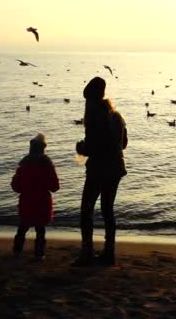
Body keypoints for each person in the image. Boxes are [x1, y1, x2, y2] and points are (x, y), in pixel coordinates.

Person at [74, 77, 128, 266]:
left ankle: (87, 253)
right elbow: (124, 144)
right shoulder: (116, 116)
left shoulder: (95, 118)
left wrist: (81, 148)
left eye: (87, 100)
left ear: (91, 99)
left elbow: (93, 147)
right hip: (116, 169)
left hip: (99, 170)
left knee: (86, 211)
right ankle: (109, 254)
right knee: (108, 211)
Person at [11, 133, 60, 261]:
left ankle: (17, 251)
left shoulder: (24, 165)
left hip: (27, 201)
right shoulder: (47, 165)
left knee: (22, 227)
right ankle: (39, 254)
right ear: (43, 148)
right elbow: (55, 187)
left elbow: (16, 186)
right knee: (40, 230)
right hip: (42, 202)